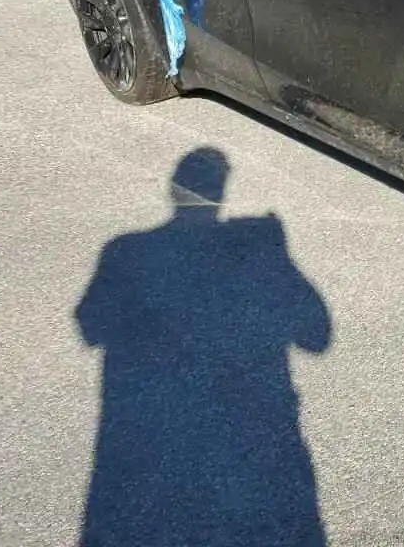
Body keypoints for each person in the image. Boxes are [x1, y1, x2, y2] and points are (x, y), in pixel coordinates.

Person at [76, 147, 331, 547]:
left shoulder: (122, 250)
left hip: (140, 444)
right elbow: (316, 337)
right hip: (256, 441)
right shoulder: (124, 250)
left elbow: (89, 326)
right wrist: (280, 258)